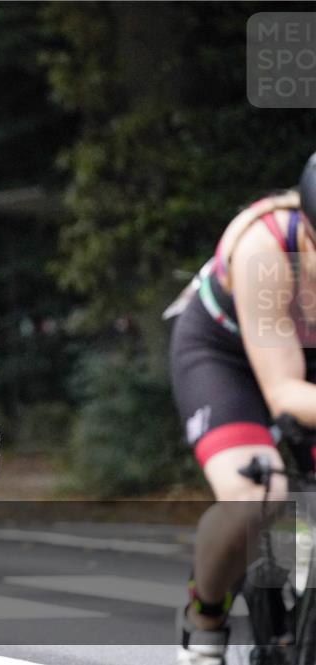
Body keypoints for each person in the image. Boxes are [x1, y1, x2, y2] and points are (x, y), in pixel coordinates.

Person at [168, 154, 316, 664]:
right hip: (224, 356)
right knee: (258, 493)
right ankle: (205, 619)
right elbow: (286, 394)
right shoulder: (267, 248)